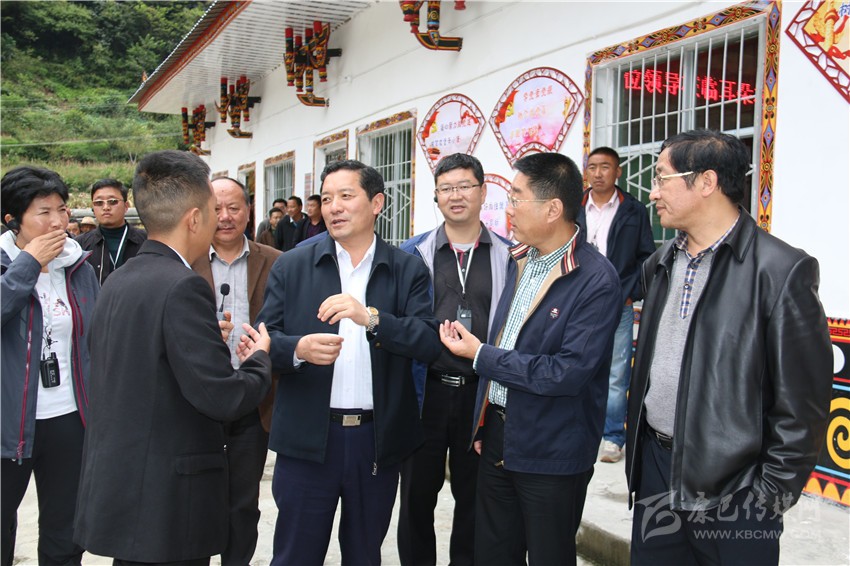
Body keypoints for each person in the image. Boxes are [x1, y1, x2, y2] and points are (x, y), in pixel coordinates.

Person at [625, 130, 832, 565]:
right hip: (657, 472)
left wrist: (767, 499)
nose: (652, 191)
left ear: (706, 182)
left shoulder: (780, 271)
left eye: (661, 178)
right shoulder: (661, 262)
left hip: (736, 490)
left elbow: (804, 408)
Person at [73, 150, 273, 565]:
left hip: (127, 487)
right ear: (194, 219)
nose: (220, 220)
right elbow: (221, 397)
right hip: (167, 500)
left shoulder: (119, 278)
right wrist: (258, 359)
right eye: (214, 211)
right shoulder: (183, 286)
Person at [439, 152, 621, 566]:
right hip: (499, 435)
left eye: (516, 198)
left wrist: (480, 355)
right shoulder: (521, 258)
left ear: (553, 209)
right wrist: (486, 419)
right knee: (493, 554)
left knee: (548, 555)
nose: (508, 209)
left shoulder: (595, 279)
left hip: (552, 448)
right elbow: (507, 338)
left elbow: (566, 373)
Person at [257, 159, 442, 565]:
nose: (334, 207)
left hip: (374, 441)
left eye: (345, 196)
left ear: (376, 203)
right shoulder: (292, 265)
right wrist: (298, 350)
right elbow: (262, 342)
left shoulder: (406, 269)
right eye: (326, 199)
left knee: (364, 554)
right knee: (294, 555)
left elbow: (429, 342)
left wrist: (372, 319)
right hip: (307, 439)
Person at [397, 153, 512, 566]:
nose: (456, 195)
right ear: (436, 196)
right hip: (424, 392)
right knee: (415, 500)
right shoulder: (412, 254)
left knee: (475, 501)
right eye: (446, 188)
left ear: (483, 192)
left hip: (479, 396)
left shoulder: (510, 256)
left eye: (464, 186)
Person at [1, 166, 99, 565]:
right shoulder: (6, 265)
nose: (58, 221)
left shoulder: (78, 267)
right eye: (44, 212)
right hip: (8, 424)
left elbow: (100, 334)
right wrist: (27, 264)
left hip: (69, 418)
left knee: (65, 531)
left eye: (62, 209)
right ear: (12, 220)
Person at [191, 177, 282, 566]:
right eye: (217, 209)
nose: (225, 217)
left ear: (249, 211)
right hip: (198, 399)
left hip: (252, 397)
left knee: (243, 502)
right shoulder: (185, 260)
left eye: (234, 208)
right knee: (194, 500)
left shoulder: (277, 261)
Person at [577, 147, 655, 463]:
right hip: (577, 301)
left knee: (616, 372)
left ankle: (612, 437)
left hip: (617, 303)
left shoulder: (633, 210)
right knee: (577, 363)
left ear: (618, 171)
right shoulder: (573, 205)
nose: (598, 173)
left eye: (605, 167)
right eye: (592, 167)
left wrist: (631, 292)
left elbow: (646, 256)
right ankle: (582, 427)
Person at [76, 179, 147, 285]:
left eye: (112, 201)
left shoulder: (146, 240)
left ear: (126, 206)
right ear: (93, 208)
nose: (106, 207)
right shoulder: (80, 245)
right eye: (99, 203)